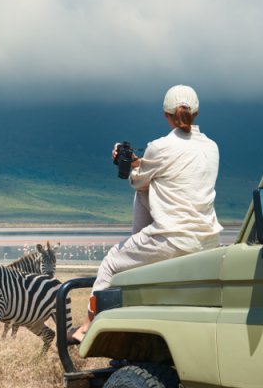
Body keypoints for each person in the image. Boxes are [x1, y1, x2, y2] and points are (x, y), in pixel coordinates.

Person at [67, 84, 223, 344]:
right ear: (196, 113)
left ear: (166, 115)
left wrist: (126, 162)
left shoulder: (159, 147)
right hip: (208, 241)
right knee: (145, 193)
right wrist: (140, 162)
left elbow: (139, 182)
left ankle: (86, 327)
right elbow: (172, 170)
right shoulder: (212, 148)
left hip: (170, 239)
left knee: (111, 263)